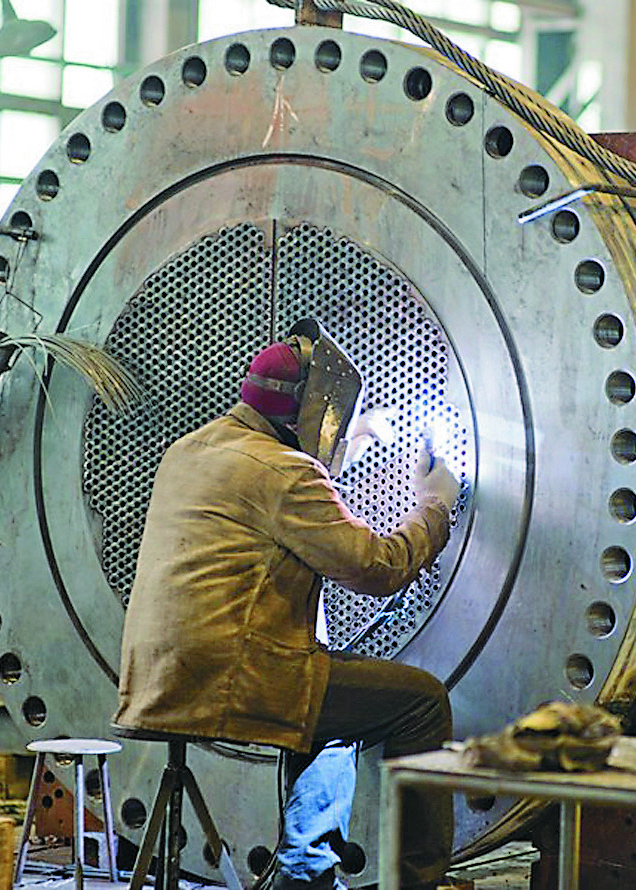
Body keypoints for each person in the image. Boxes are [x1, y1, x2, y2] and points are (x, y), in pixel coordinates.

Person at [115, 325, 461, 890]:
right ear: (308, 410)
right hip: (233, 677)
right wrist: (434, 508)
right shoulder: (286, 472)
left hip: (157, 675)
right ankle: (415, 884)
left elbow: (268, 500)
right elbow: (376, 567)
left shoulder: (193, 449)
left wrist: (353, 445)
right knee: (420, 702)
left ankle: (307, 868)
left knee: (332, 695)